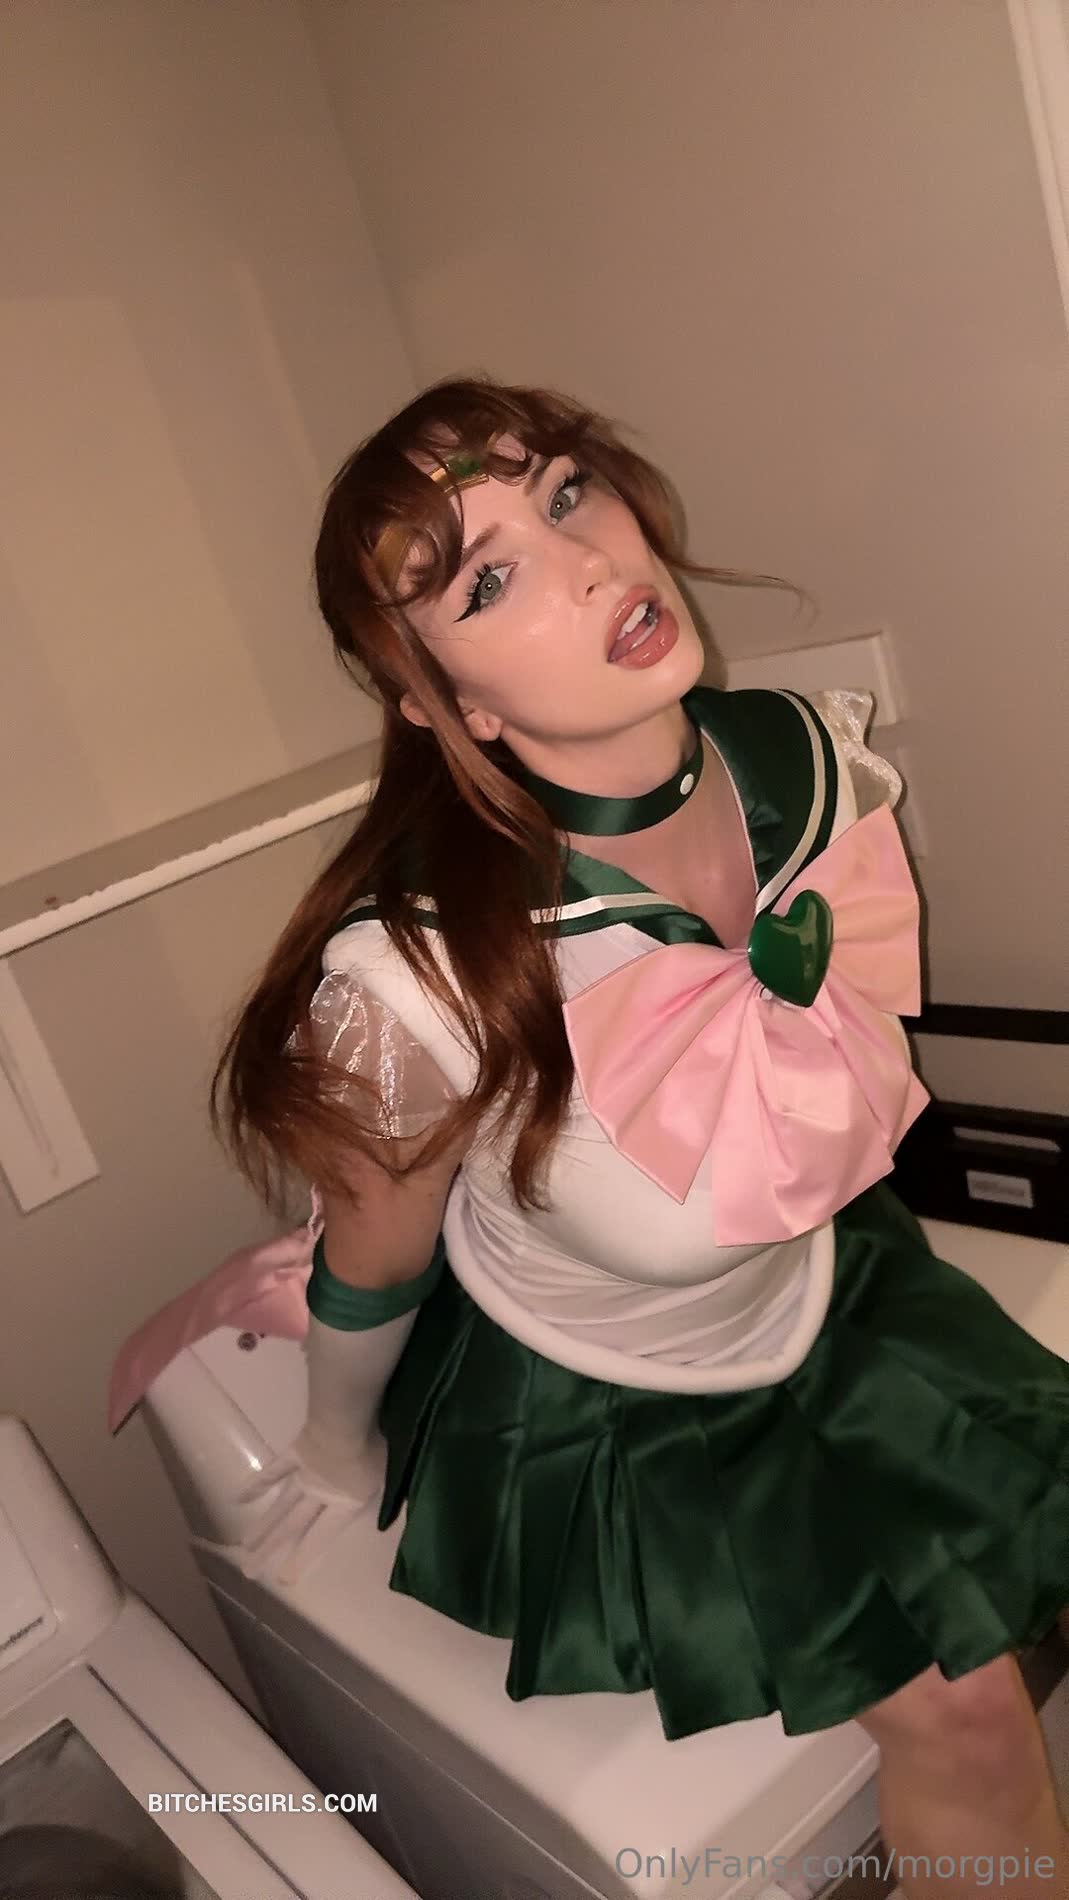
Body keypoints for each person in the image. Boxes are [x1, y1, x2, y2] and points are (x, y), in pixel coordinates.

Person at [208, 376, 1068, 1900]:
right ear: (446, 701)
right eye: (487, 582)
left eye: (565, 493)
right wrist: (333, 1448)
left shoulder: (799, 756)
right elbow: (377, 1248)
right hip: (616, 1396)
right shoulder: (413, 974)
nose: (591, 562)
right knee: (966, 1711)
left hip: (828, 1280)